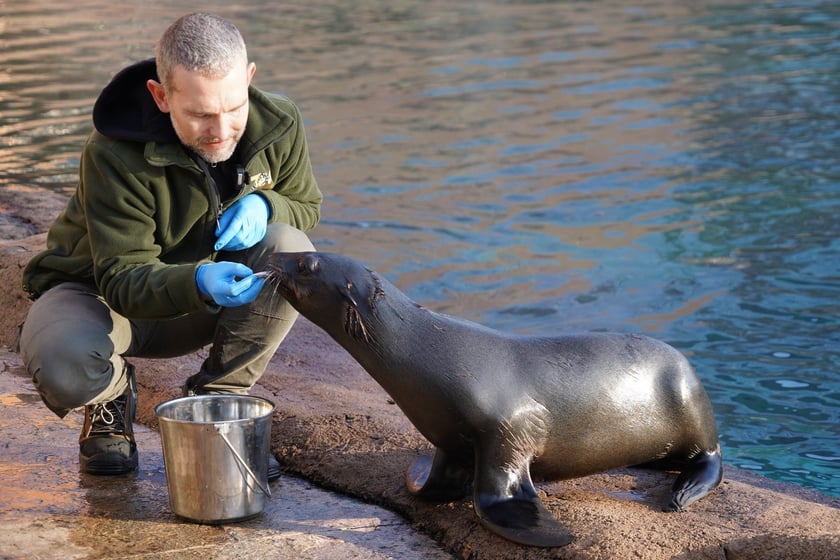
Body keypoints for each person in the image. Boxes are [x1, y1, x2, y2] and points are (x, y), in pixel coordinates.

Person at [18, 12, 322, 479]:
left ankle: (218, 402)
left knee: (291, 248)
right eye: (200, 114)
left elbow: (306, 206)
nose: (221, 129)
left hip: (202, 302)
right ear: (161, 96)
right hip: (104, 297)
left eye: (234, 107)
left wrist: (267, 205)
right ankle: (111, 399)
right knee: (64, 363)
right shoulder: (112, 152)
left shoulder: (279, 122)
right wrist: (199, 279)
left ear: (249, 78)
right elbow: (122, 278)